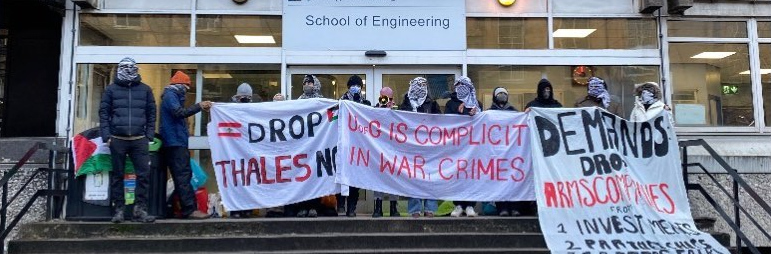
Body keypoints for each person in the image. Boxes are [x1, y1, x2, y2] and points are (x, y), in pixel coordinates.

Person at [99, 57, 157, 223]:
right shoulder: (111, 90)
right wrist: (107, 136)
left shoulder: (145, 90)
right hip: (117, 139)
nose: (129, 71)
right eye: (125, 68)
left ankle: (140, 210)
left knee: (144, 175)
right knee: (118, 176)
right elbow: (104, 113)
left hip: (139, 139)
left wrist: (149, 136)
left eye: (132, 68)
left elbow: (152, 113)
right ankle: (119, 210)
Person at [160, 71, 212, 220]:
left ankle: (181, 208)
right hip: (175, 142)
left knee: (181, 176)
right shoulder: (171, 96)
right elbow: (178, 112)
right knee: (183, 176)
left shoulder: (171, 96)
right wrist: (198, 106)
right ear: (180, 85)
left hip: (176, 141)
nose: (187, 91)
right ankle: (189, 210)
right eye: (186, 87)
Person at [400, 77, 442, 218]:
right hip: (412, 147)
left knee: (430, 178)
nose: (421, 88)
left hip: (429, 148)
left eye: (423, 85)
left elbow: (442, 122)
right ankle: (415, 209)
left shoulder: (432, 104)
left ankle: (430, 208)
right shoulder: (406, 104)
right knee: (414, 179)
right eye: (418, 85)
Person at [444, 76, 481, 217]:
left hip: (472, 147)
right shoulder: (450, 104)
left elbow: (482, 122)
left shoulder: (477, 104)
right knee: (457, 176)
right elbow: (447, 122)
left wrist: (475, 113)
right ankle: (458, 205)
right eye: (458, 87)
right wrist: (458, 114)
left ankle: (470, 205)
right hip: (457, 146)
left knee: (471, 176)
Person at [289, 74, 324, 218]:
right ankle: (302, 206)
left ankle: (314, 206)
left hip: (317, 145)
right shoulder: (299, 101)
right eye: (305, 83)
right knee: (302, 176)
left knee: (315, 177)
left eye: (310, 82)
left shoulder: (321, 101)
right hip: (302, 146)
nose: (307, 85)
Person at [337, 75, 371, 217]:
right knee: (341, 175)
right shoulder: (341, 102)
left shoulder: (366, 103)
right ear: (348, 86)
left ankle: (352, 207)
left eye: (358, 85)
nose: (356, 87)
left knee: (355, 178)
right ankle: (340, 205)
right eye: (353, 85)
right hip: (343, 145)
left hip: (359, 147)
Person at [486, 87, 523, 216]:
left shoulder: (514, 112)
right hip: (496, 153)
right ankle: (502, 208)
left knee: (513, 181)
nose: (502, 96)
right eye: (499, 94)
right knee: (499, 183)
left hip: (512, 153)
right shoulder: (489, 113)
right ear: (495, 96)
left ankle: (515, 207)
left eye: (504, 94)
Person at [372, 87, 400, 218]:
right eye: (383, 97)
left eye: (389, 97)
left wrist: (393, 110)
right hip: (378, 150)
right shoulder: (373, 110)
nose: (386, 100)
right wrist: (381, 109)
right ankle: (377, 207)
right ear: (379, 97)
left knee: (394, 180)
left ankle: (394, 207)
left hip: (393, 151)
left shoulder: (396, 110)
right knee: (378, 180)